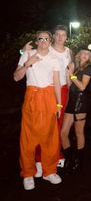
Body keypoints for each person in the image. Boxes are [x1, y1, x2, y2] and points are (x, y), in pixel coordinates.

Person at [21, 25, 73, 176]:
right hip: (48, 89)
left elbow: (74, 68)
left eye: (63, 35)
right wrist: (22, 51)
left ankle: (54, 156)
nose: (60, 37)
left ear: (66, 37)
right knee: (42, 127)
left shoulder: (69, 51)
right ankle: (38, 159)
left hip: (63, 89)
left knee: (57, 125)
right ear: (53, 37)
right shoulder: (48, 48)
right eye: (57, 34)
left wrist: (72, 78)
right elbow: (30, 54)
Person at [14, 31, 62, 190]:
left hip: (49, 97)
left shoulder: (54, 58)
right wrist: (28, 63)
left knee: (50, 136)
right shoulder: (28, 54)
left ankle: (49, 171)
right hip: (33, 96)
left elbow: (56, 82)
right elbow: (16, 77)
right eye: (40, 38)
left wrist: (59, 104)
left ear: (50, 41)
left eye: (46, 38)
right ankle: (28, 173)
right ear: (37, 41)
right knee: (28, 137)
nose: (43, 41)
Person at [61, 45, 91, 174]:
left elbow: (83, 87)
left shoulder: (88, 69)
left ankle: (79, 161)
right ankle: (69, 158)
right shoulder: (76, 67)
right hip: (71, 101)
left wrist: (71, 75)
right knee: (63, 132)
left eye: (87, 54)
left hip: (81, 102)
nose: (84, 56)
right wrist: (70, 74)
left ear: (89, 57)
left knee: (79, 133)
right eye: (83, 53)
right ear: (79, 55)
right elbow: (70, 85)